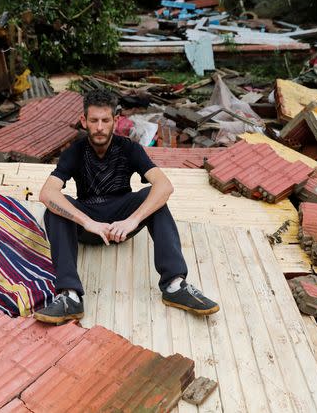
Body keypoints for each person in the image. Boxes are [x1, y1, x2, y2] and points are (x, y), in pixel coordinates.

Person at [34, 89, 220, 324]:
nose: (99, 127)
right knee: (54, 210)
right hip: (89, 223)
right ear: (84, 121)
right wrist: (88, 223)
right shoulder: (74, 151)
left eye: (105, 120)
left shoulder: (130, 148)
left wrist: (132, 220)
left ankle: (174, 286)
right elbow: (47, 192)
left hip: (124, 218)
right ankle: (69, 295)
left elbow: (165, 186)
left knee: (154, 198)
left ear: (115, 120)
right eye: (93, 120)